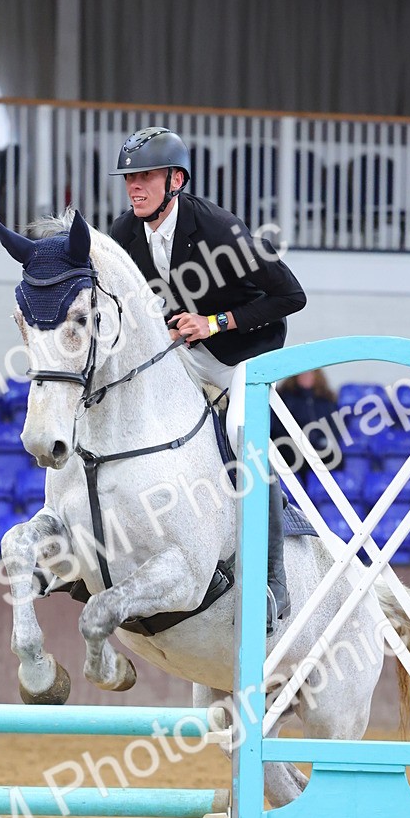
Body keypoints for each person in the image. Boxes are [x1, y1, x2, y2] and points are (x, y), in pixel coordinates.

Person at [109, 126, 307, 633]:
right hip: (189, 349)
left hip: (247, 350)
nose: (135, 186)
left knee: (243, 434)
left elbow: (291, 297)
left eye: (146, 176)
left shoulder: (219, 228)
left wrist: (215, 323)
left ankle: (271, 580)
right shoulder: (125, 233)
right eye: (130, 177)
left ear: (176, 179)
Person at [271, 369, 341, 484]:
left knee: (335, 458)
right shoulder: (284, 398)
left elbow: (335, 427)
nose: (305, 377)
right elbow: (278, 429)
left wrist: (323, 442)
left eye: (310, 373)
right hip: (294, 449)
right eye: (302, 373)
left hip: (320, 449)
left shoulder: (327, 399)